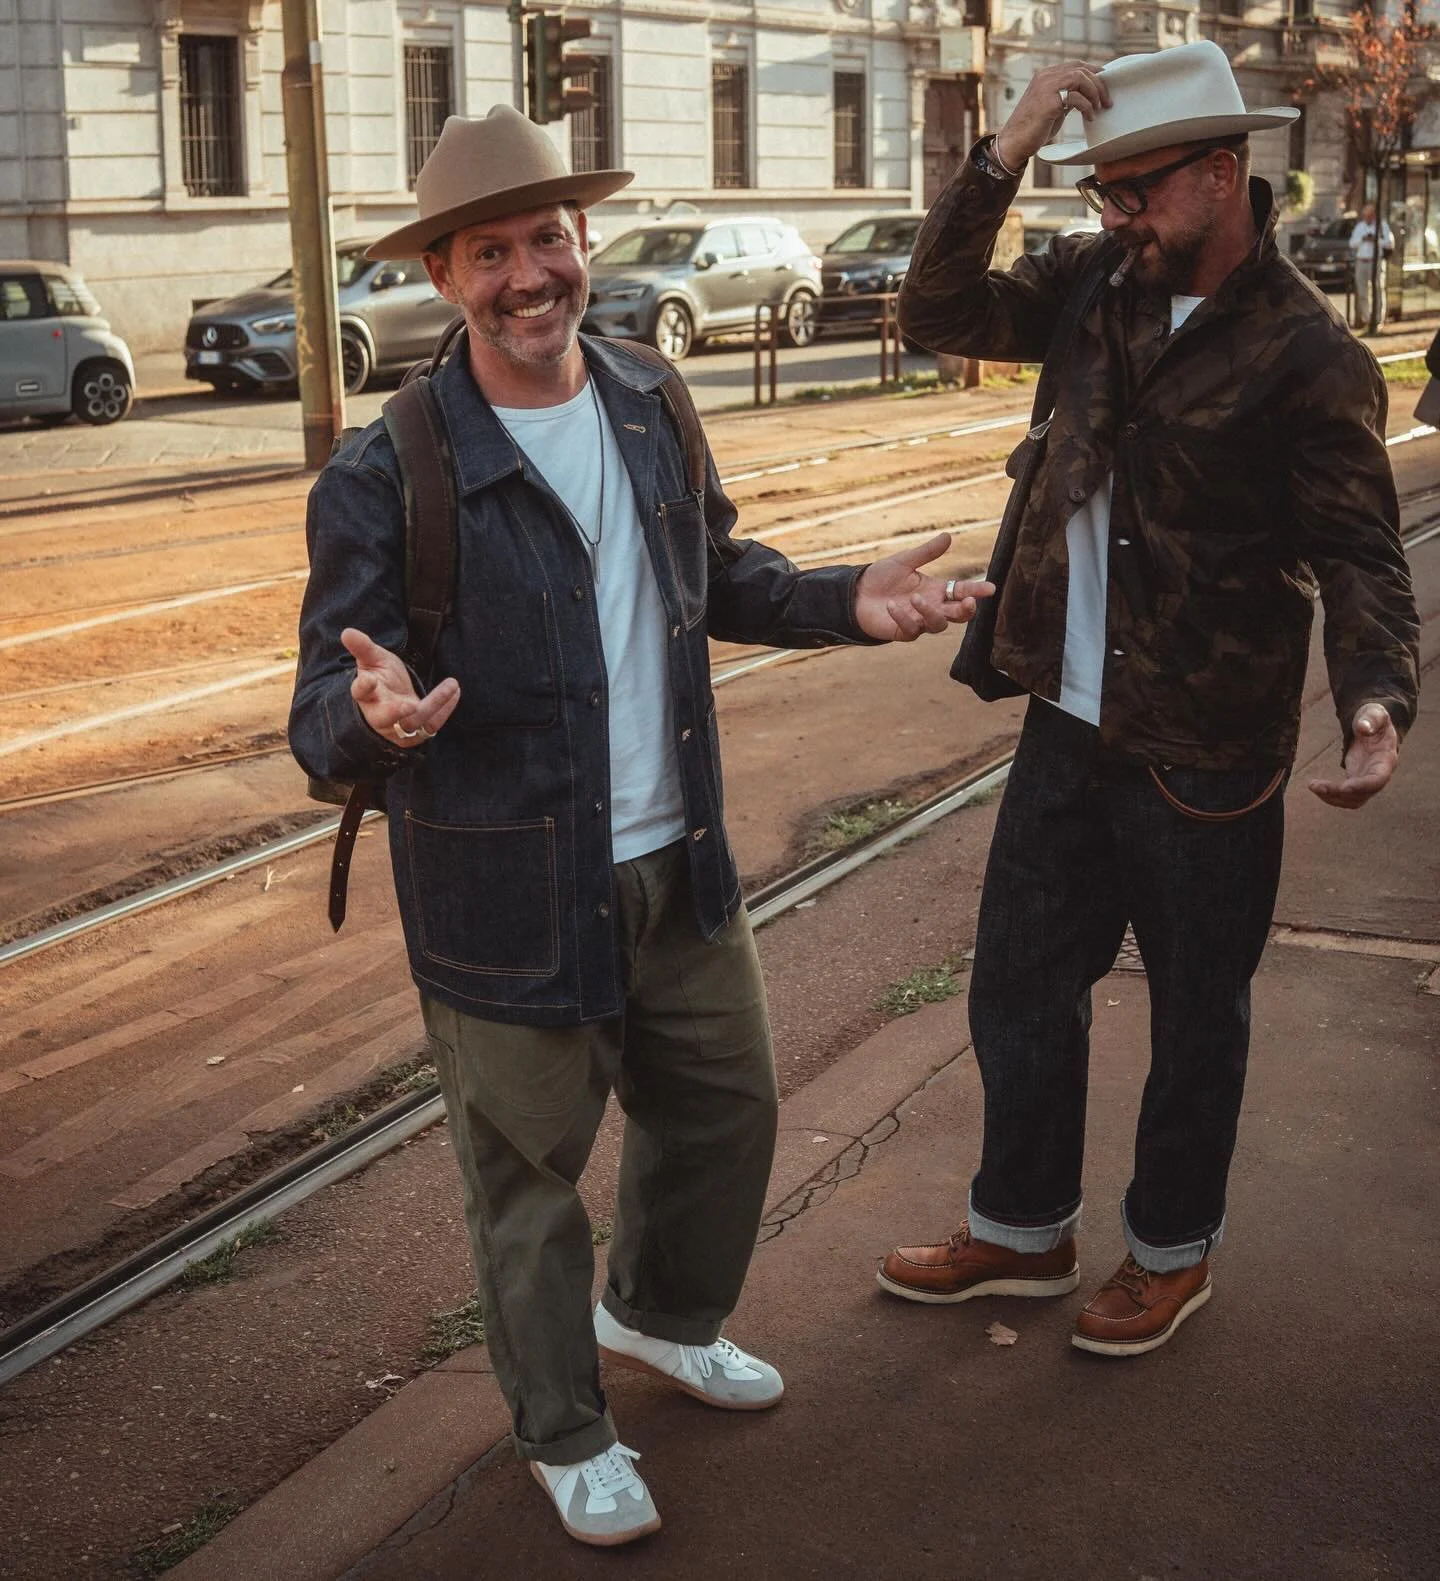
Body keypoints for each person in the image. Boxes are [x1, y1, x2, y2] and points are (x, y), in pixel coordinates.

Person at [289, 106, 989, 1547]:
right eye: (490, 252)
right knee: (527, 1180)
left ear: (584, 240)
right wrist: (375, 722)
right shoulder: (390, 469)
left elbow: (711, 569)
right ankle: (564, 1429)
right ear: (442, 274)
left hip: (679, 856)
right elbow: (319, 713)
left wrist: (844, 598)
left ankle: (661, 1316)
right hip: (509, 891)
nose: (528, 276)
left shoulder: (647, 392)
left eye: (546, 239)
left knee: (727, 1111)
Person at [879, 41, 1419, 1357]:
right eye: (1102, 191)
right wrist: (1004, 150)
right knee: (1019, 986)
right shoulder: (1091, 286)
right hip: (1067, 720)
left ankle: (1171, 1253)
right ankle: (1022, 1230)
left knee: (1193, 1017)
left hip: (1205, 745)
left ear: (1224, 175)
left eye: (1139, 189)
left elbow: (1358, 552)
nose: (1116, 213)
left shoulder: (1309, 355)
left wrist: (1375, 699)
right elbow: (936, 312)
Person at [1349, 201, 1394, 328]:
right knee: (1362, 292)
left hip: (1376, 261)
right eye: (1365, 215)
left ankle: (1378, 319)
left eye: (1369, 215)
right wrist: (1362, 239)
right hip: (1361, 261)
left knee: (1378, 290)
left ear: (1374, 215)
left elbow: (1389, 243)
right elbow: (1351, 243)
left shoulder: (1382, 226)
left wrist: (1376, 240)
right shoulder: (1360, 227)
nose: (1367, 217)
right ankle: (1367, 319)